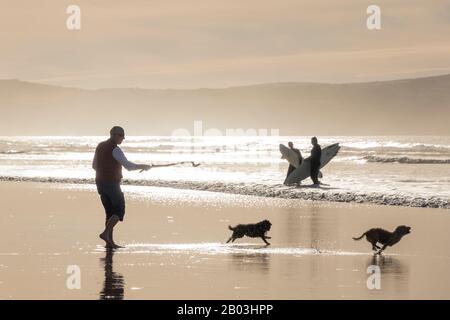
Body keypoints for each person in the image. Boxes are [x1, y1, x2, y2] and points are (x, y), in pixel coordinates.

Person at [92, 126, 151, 248]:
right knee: (119, 211)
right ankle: (105, 234)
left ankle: (110, 243)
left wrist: (104, 171)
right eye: (121, 136)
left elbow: (94, 165)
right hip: (111, 184)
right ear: (114, 135)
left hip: (100, 183)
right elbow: (128, 166)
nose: (123, 138)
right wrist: (143, 166)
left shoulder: (100, 146)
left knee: (109, 213)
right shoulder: (115, 149)